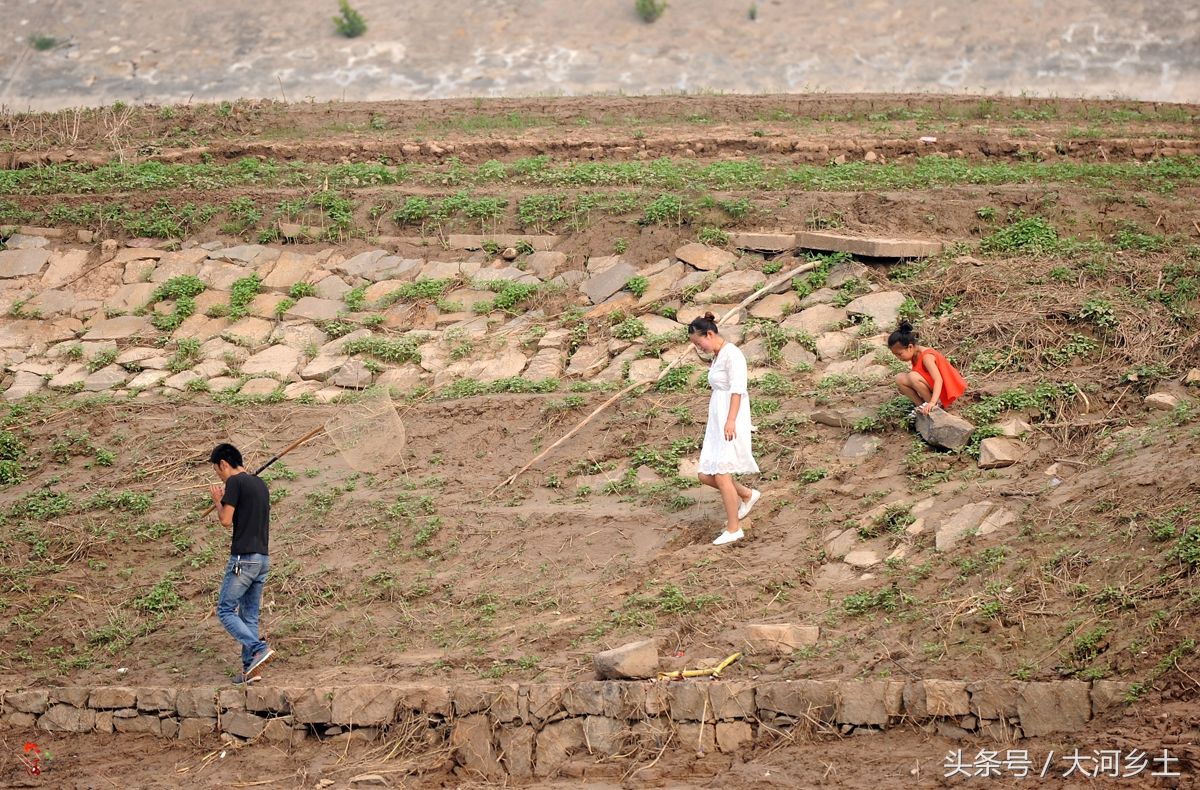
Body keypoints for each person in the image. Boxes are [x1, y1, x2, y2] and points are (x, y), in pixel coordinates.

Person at [688, 312, 761, 546]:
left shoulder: (733, 355)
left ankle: (734, 528)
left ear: (710, 334)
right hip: (717, 419)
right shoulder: (717, 355)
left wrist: (730, 420)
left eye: (700, 343)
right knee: (705, 474)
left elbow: (738, 390)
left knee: (721, 474)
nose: (699, 348)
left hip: (731, 417)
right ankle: (747, 494)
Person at [208, 443, 275, 685]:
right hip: (262, 559)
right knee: (249, 616)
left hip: (243, 558)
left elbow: (226, 520)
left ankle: (258, 648)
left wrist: (218, 501)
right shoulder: (260, 484)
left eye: (218, 471)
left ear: (223, 464)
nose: (220, 475)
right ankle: (252, 670)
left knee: (225, 610)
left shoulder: (234, 483)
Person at [888, 320, 967, 415]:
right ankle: (921, 406)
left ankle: (934, 405)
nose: (898, 358)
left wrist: (933, 402)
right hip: (934, 388)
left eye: (899, 354)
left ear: (910, 347)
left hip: (945, 390)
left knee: (913, 376)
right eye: (895, 355)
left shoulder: (926, 357)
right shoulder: (914, 355)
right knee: (899, 378)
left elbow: (939, 380)